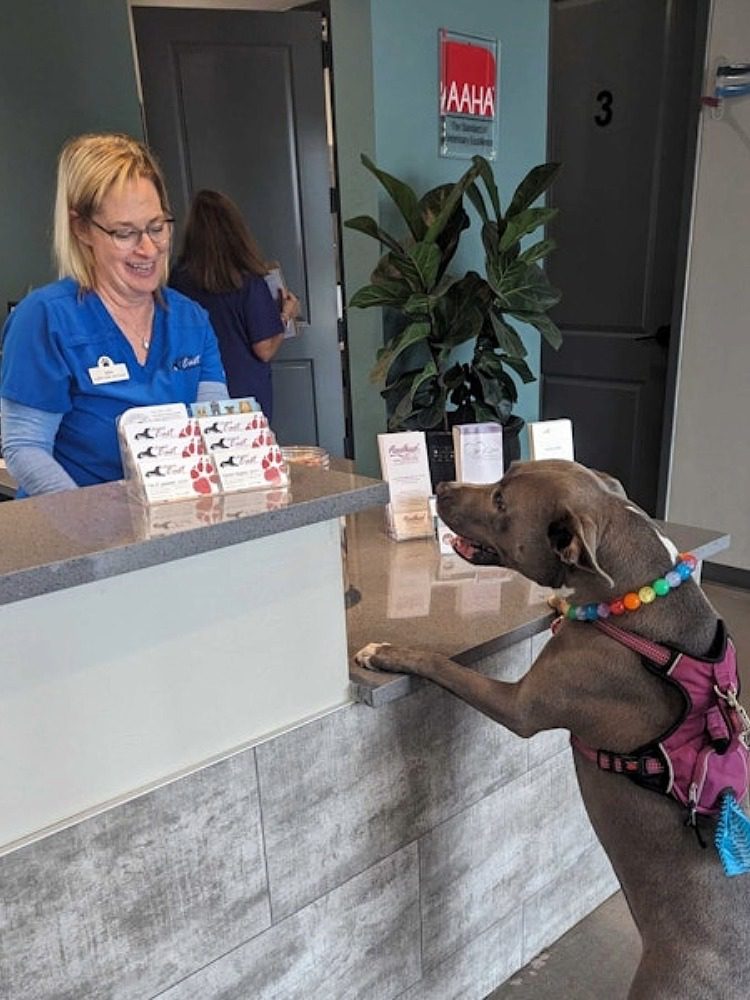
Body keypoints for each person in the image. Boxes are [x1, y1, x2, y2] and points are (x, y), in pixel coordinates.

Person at [0, 134, 227, 497]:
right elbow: (25, 449)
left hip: (171, 522)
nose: (148, 248)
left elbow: (213, 429)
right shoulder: (45, 319)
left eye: (156, 227)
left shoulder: (191, 320)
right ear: (82, 229)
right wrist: (95, 531)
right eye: (125, 233)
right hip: (77, 528)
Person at [169, 189, 299, 419]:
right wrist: (286, 314)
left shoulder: (177, 279)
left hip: (194, 391)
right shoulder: (248, 281)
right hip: (245, 398)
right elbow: (264, 349)